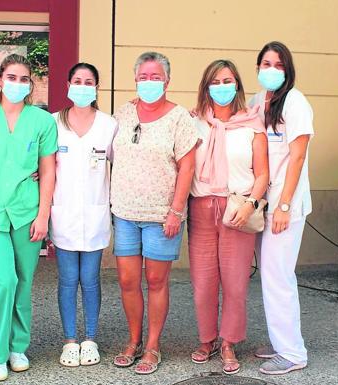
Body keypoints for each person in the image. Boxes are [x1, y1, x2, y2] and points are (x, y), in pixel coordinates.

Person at [0, 54, 57, 381]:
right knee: (1, 280)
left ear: (30, 85)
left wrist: (43, 215)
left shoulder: (42, 122)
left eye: (24, 79)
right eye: (12, 77)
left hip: (26, 213)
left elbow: (48, 170)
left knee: (22, 282)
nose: (17, 84)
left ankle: (18, 347)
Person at [110, 52, 198, 375]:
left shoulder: (179, 119)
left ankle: (153, 345)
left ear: (167, 81)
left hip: (163, 217)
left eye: (155, 76)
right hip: (125, 213)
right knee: (127, 280)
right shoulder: (123, 113)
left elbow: (187, 166)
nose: (149, 82)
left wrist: (176, 210)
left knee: (156, 280)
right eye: (143, 76)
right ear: (135, 80)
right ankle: (133, 341)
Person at [188, 60, 269, 375]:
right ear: (206, 86)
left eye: (228, 81)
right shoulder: (193, 122)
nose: (222, 87)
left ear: (237, 85)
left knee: (235, 282)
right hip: (202, 207)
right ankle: (207, 339)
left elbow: (262, 174)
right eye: (216, 81)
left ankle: (229, 341)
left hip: (238, 207)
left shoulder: (252, 125)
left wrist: (251, 203)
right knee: (203, 282)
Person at [249, 41, 314, 375]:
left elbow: (298, 156)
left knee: (279, 276)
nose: (271, 70)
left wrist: (285, 204)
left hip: (284, 205)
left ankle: (292, 353)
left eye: (278, 64)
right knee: (270, 275)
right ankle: (280, 341)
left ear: (287, 69)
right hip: (264, 202)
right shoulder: (259, 101)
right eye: (265, 63)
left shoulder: (295, 101)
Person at [50, 63, 117, 367]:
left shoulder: (108, 125)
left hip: (95, 214)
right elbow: (45, 167)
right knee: (67, 280)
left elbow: (121, 167)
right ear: (68, 84)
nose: (82, 86)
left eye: (88, 81)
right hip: (63, 215)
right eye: (77, 80)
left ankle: (89, 338)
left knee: (90, 280)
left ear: (96, 87)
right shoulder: (53, 123)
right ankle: (69, 341)